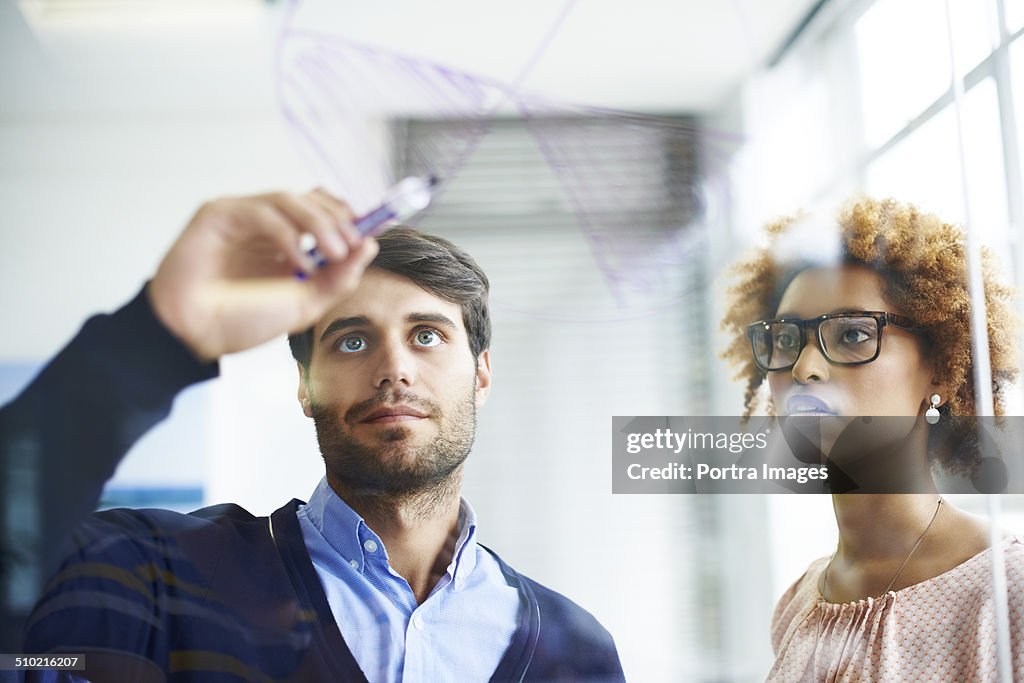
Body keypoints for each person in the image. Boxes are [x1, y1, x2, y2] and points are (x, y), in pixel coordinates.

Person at [13, 190, 624, 682]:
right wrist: (160, 333)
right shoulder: (150, 577)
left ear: (481, 375)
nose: (394, 369)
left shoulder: (578, 655)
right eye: (352, 341)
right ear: (305, 387)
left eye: (428, 336)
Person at [721, 197, 1024, 680]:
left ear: (942, 370)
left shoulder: (1007, 595)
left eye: (853, 335)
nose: (803, 368)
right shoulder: (799, 601)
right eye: (785, 339)